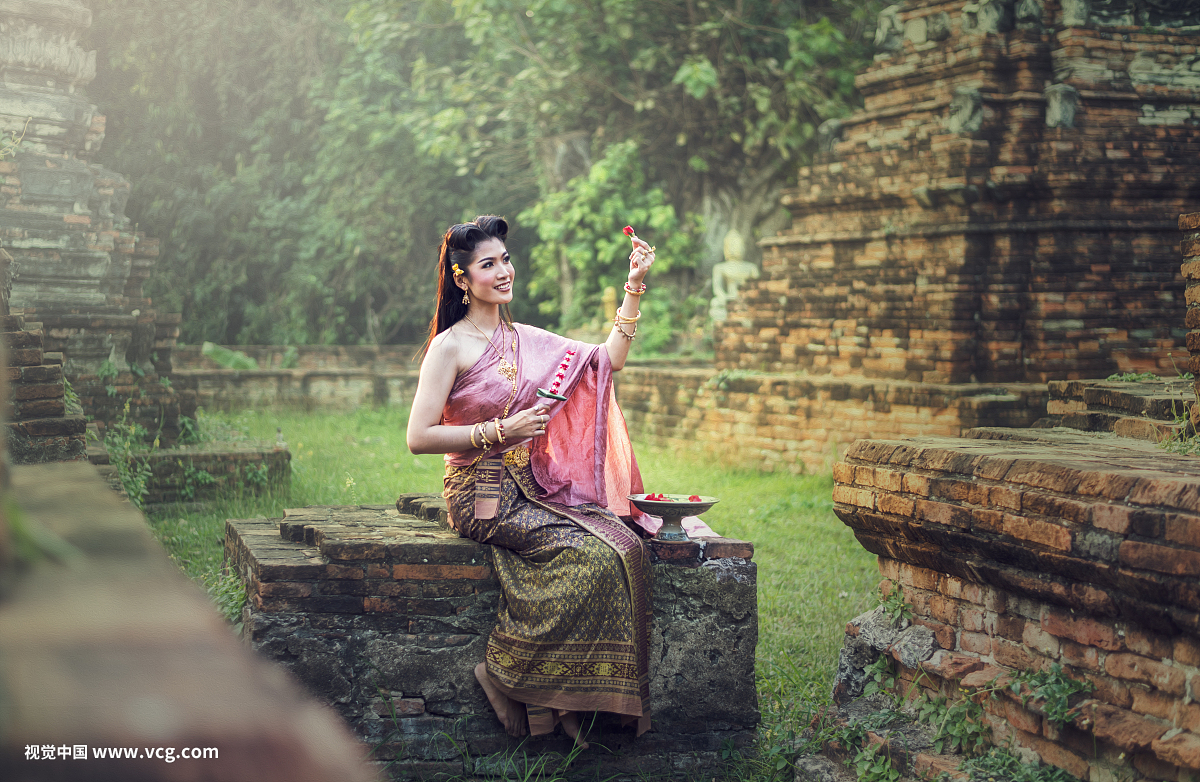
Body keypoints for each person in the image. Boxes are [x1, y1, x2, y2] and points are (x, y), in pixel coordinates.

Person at [406, 215, 657, 748]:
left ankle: (558, 699)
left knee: (622, 545)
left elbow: (607, 360)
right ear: (461, 278)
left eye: (505, 260)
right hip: (480, 494)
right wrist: (501, 429)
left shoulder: (527, 339)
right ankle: (502, 674)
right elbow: (419, 436)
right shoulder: (448, 348)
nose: (503, 272)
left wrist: (634, 283)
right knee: (585, 554)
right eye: (488, 264)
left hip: (535, 483)